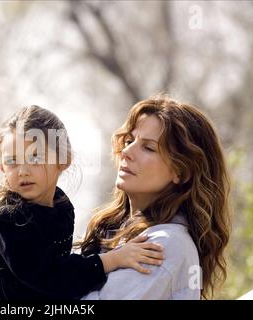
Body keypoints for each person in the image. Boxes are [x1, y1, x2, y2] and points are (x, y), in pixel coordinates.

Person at [0, 105, 164, 300]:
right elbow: (49, 278)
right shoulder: (9, 217)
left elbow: (63, 269)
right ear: (2, 168)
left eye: (35, 158)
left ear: (64, 160)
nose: (23, 170)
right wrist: (112, 259)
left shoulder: (62, 208)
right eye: (13, 161)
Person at [81, 96, 231, 300]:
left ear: (182, 172)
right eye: (128, 141)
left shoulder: (165, 245)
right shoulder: (113, 231)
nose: (126, 152)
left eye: (148, 148)